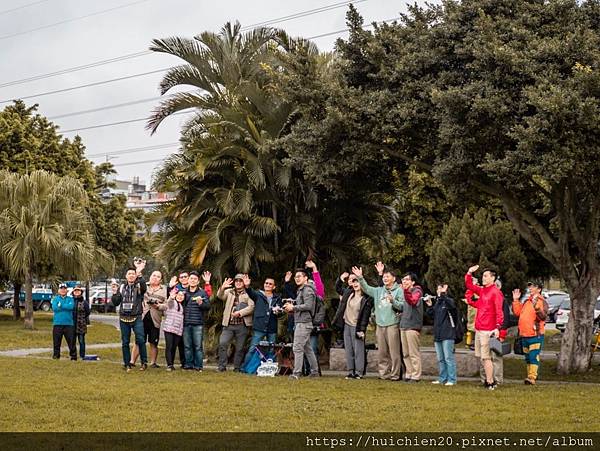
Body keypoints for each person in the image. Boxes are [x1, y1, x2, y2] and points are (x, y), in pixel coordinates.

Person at [352, 265, 404, 381]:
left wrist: (393, 301)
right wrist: (360, 277)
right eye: (384, 277)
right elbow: (366, 288)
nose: (385, 278)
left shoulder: (399, 290)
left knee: (394, 352)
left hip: (392, 324)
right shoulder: (379, 290)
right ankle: (383, 374)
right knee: (382, 352)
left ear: (394, 278)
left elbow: (402, 306)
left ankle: (395, 374)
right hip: (380, 325)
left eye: (388, 276)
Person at [464, 264, 504, 390]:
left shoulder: (495, 292)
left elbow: (499, 311)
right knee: (482, 357)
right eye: (483, 275)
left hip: (488, 330)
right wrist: (469, 273)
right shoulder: (482, 291)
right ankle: (488, 380)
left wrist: (497, 327)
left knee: (486, 358)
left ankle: (490, 382)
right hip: (479, 329)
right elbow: (469, 285)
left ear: (493, 278)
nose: (483, 278)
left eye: (486, 276)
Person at [334, 273, 374, 379]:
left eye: (358, 282)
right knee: (349, 349)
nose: (356, 284)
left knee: (358, 350)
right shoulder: (349, 293)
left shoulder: (366, 299)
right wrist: (341, 278)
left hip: (357, 326)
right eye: (354, 282)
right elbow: (338, 288)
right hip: (346, 325)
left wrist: (362, 330)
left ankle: (359, 372)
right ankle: (351, 371)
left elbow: (365, 317)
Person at [111, 259, 148, 372]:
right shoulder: (122, 287)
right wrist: (114, 293)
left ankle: (143, 362)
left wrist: (139, 272)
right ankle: (127, 363)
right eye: (129, 274)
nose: (131, 276)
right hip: (123, 318)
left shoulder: (139, 285)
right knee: (125, 341)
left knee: (141, 340)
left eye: (133, 274)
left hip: (136, 317)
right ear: (126, 276)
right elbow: (116, 302)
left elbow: (144, 288)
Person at [242, 275, 284, 371]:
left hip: (272, 327)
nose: (268, 285)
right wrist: (247, 286)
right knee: (253, 348)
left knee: (271, 349)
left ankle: (269, 369)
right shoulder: (258, 295)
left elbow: (281, 313)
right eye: (266, 283)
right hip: (259, 327)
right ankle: (245, 369)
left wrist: (278, 311)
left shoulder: (278, 298)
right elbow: (250, 292)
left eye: (270, 284)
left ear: (274, 287)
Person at [285, 269, 320, 379]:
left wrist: (293, 307)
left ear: (306, 278)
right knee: (307, 349)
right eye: (295, 277)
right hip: (301, 322)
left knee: (297, 348)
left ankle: (296, 373)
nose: (297, 278)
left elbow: (308, 306)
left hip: (304, 323)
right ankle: (314, 372)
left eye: (299, 276)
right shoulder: (301, 290)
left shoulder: (307, 290)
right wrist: (292, 306)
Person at [217, 274, 254, 372]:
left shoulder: (248, 293)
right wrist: (222, 287)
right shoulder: (229, 292)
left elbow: (251, 307)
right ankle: (222, 366)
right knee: (223, 343)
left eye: (240, 281)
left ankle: (237, 368)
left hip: (242, 325)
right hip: (228, 324)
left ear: (243, 282)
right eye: (236, 280)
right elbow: (220, 296)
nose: (238, 282)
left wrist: (240, 313)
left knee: (240, 347)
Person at [512, 281, 547, 385]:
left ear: (539, 289)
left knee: (533, 356)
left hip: (535, 335)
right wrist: (516, 300)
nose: (530, 288)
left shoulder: (541, 301)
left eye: (533, 286)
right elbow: (518, 312)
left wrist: (537, 308)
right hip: (524, 334)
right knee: (528, 357)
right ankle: (529, 377)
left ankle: (532, 377)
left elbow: (543, 316)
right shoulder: (527, 301)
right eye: (530, 286)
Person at [131, 270, 166, 368]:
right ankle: (132, 361)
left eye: (158, 276)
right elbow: (135, 293)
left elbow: (167, 305)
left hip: (155, 318)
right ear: (150, 276)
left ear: (161, 280)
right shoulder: (143, 286)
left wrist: (158, 306)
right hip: (142, 316)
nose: (155, 277)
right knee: (138, 340)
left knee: (153, 342)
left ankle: (153, 362)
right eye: (153, 275)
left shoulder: (164, 290)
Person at [424, 284, 457, 386]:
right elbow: (431, 315)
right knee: (440, 358)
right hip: (438, 334)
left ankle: (452, 379)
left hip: (447, 334)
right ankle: (442, 378)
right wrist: (429, 305)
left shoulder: (448, 301)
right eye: (438, 288)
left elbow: (452, 307)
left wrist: (443, 295)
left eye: (441, 288)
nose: (438, 290)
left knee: (448, 358)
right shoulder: (438, 302)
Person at [183, 271, 211, 371]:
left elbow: (208, 306)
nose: (193, 280)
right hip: (186, 323)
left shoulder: (202, 292)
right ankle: (188, 365)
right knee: (187, 346)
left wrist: (201, 303)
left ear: (198, 281)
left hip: (198, 323)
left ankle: (198, 366)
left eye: (195, 279)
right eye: (191, 278)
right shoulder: (184, 292)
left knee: (198, 346)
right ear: (188, 280)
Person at [399, 272, 424, 383]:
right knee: (406, 353)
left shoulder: (417, 291)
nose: (405, 281)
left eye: (407, 279)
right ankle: (409, 373)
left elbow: (413, 301)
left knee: (413, 352)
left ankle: (416, 375)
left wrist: (405, 291)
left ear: (413, 282)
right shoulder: (406, 292)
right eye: (403, 279)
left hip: (413, 326)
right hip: (404, 325)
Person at [160, 289, 185, 371]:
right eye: (179, 295)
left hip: (177, 330)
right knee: (169, 346)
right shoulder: (172, 303)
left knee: (174, 347)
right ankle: (169, 364)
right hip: (169, 328)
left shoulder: (182, 307)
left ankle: (172, 363)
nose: (180, 297)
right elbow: (169, 302)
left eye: (182, 295)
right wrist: (171, 297)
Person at [51, 283, 77, 360]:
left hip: (69, 324)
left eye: (64, 289)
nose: (63, 290)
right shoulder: (55, 299)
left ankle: (73, 356)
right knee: (56, 342)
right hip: (57, 323)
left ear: (66, 290)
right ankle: (56, 355)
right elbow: (55, 308)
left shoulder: (70, 299)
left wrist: (61, 305)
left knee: (71, 341)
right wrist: (64, 306)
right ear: (59, 290)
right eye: (61, 289)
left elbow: (71, 307)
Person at [71, 285, 90, 360]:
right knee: (72, 341)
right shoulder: (71, 301)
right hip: (72, 324)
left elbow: (88, 312)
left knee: (81, 341)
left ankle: (82, 355)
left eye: (78, 291)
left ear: (81, 292)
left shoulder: (84, 302)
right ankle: (73, 355)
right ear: (73, 292)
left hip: (81, 324)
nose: (77, 292)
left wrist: (82, 318)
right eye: (75, 291)